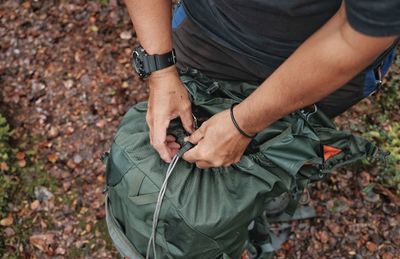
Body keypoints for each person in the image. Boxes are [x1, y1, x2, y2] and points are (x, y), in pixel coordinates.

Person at [124, 0, 399, 169]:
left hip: (327, 62)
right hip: (206, 30)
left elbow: (357, 36)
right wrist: (160, 71)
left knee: (283, 154)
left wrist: (243, 123)